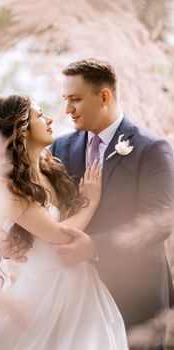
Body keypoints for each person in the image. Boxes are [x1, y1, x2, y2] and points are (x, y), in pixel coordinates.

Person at [0, 94, 128, 350]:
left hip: (82, 285)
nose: (49, 119)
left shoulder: (50, 171)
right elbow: (59, 235)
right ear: (21, 129)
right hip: (43, 292)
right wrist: (91, 202)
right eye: (39, 115)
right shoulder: (5, 186)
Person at [50, 58, 174, 336]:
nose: (67, 109)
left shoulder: (151, 148)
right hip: (76, 292)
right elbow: (47, 206)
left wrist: (93, 247)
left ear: (104, 96)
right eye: (65, 99)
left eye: (75, 99)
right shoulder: (60, 146)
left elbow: (159, 221)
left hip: (136, 295)